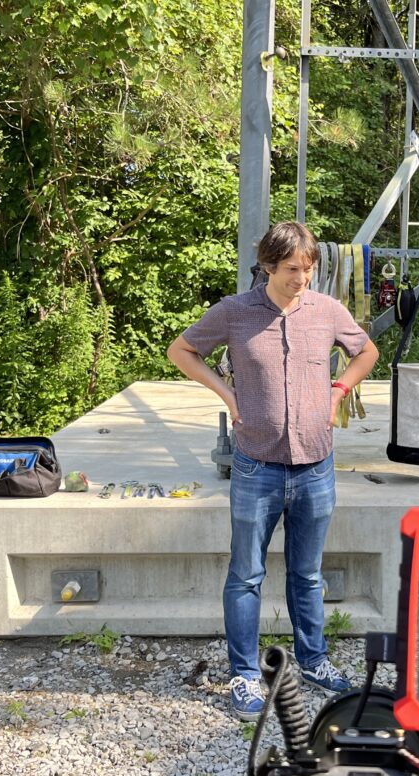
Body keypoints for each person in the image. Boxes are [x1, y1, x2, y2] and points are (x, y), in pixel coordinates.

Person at [166, 221, 379, 720]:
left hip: (315, 465)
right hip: (256, 464)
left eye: (308, 269)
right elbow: (181, 350)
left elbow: (365, 350)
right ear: (267, 266)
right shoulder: (235, 313)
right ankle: (243, 675)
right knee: (246, 575)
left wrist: (339, 390)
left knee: (306, 575)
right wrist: (225, 391)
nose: (301, 278)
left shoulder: (328, 310)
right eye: (291, 270)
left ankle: (314, 661)